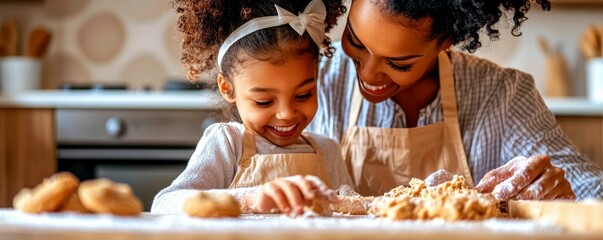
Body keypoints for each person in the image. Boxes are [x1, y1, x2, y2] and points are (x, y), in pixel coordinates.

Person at [307, 0, 602, 200]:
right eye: (355, 41)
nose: (368, 74)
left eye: (398, 64)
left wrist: (555, 187)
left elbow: (592, 190)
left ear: (446, 42)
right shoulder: (311, 83)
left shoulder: (502, 94)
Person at [151, 0, 352, 216]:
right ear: (227, 88)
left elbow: (353, 210)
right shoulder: (228, 143)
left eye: (303, 95)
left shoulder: (327, 150)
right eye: (264, 101)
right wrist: (250, 199)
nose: (286, 114)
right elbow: (164, 203)